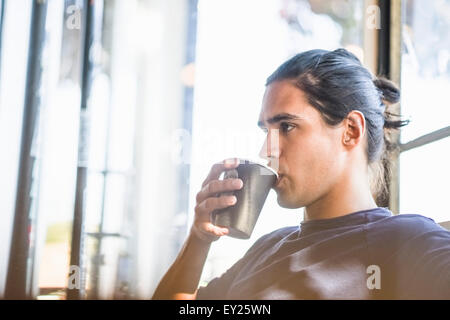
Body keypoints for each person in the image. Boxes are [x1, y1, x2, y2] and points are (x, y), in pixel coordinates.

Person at [152, 48, 450, 300]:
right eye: (265, 131)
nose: (266, 151)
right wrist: (198, 239)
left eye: (286, 127)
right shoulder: (266, 249)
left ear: (351, 131)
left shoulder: (409, 241)